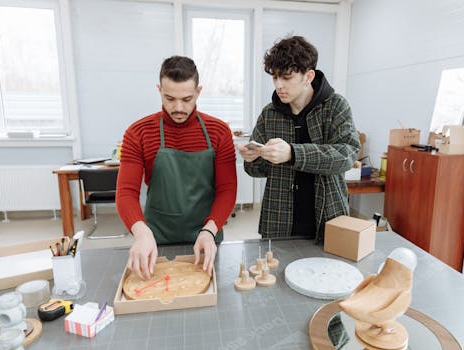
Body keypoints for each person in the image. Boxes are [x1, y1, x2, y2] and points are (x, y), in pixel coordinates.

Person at [116, 56, 237, 280]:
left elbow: (227, 189)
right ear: (159, 89)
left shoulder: (219, 131)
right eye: (169, 98)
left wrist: (210, 230)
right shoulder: (138, 133)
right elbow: (126, 192)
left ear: (198, 91)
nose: (179, 108)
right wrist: (141, 232)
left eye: (187, 98)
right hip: (155, 238)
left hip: (207, 235)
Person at [238, 35, 360, 240]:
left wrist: (293, 154)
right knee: (275, 270)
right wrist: (253, 158)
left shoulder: (335, 106)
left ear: (308, 76)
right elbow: (257, 170)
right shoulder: (269, 114)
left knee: (329, 270)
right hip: (278, 220)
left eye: (286, 77)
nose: (278, 85)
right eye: (275, 77)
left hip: (328, 217)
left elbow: (347, 154)